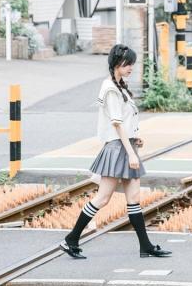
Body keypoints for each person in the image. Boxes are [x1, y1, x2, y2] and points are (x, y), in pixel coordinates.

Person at [59, 44, 171, 259]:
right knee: (102, 199)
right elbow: (117, 123)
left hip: (125, 145)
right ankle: (70, 239)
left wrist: (133, 138)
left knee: (134, 198)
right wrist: (130, 152)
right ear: (116, 64)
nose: (130, 67)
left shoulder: (120, 87)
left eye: (132, 64)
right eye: (127, 64)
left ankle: (145, 246)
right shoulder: (110, 89)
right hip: (118, 149)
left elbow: (124, 123)